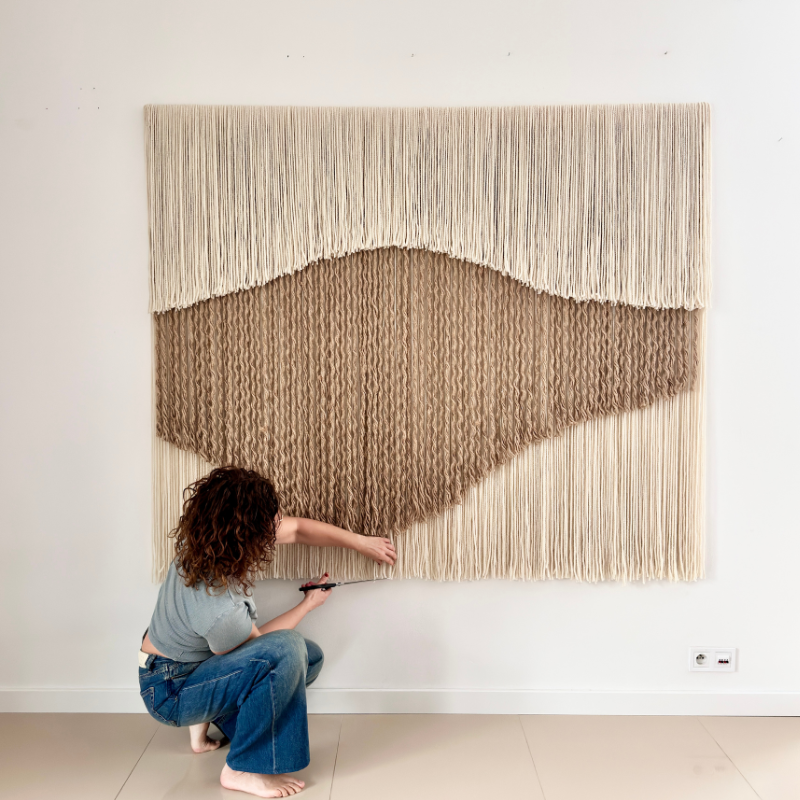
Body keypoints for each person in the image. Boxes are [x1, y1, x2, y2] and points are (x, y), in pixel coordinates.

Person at [138, 466, 396, 798]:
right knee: (289, 652)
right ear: (247, 533)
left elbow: (299, 529)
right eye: (272, 522)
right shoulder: (219, 607)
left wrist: (361, 543)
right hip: (169, 692)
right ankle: (242, 768)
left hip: (179, 665)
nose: (279, 524)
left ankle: (202, 728)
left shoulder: (205, 538)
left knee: (309, 658)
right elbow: (265, 649)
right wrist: (307, 605)